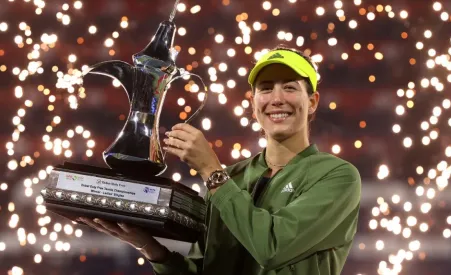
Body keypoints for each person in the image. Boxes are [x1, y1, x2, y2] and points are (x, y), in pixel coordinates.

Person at [79, 46, 362, 275]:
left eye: (289, 87)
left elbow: (272, 248)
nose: (277, 99)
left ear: (312, 102)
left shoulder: (337, 176)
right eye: (265, 89)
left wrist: (211, 171)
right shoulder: (231, 177)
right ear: (253, 104)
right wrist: (152, 250)